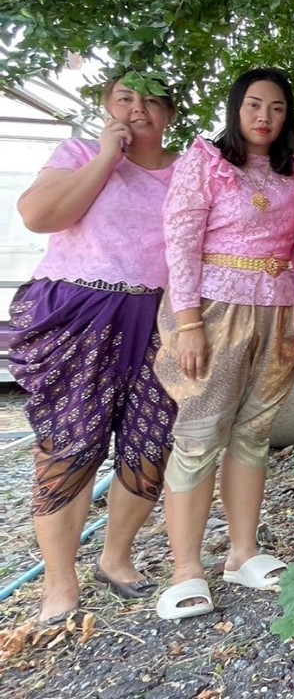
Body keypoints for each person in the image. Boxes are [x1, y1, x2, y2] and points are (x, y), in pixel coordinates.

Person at [11, 72, 179, 625]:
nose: (138, 109)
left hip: (156, 318)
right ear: (107, 106)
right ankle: (59, 582)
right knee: (70, 446)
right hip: (80, 311)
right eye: (125, 98)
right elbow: (39, 216)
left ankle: (116, 557)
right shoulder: (80, 151)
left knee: (149, 445)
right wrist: (107, 157)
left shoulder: (186, 171)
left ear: (170, 114)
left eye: (151, 101)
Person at [153, 68, 294, 620]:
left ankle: (242, 552)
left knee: (253, 432)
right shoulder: (207, 160)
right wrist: (188, 321)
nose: (264, 116)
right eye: (253, 105)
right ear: (235, 109)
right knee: (199, 434)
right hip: (213, 313)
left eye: (275, 107)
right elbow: (180, 239)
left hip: (277, 314)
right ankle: (185, 569)